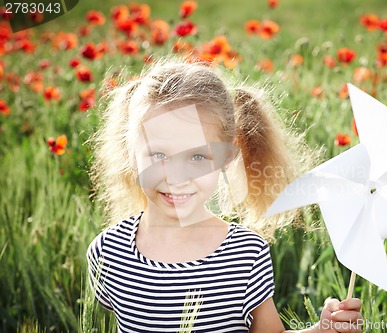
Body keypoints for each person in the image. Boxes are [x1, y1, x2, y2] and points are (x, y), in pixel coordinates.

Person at [86, 56, 363, 333]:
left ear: (226, 156)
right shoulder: (108, 253)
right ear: (130, 152)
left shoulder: (245, 254)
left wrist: (324, 329)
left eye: (197, 156)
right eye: (159, 154)